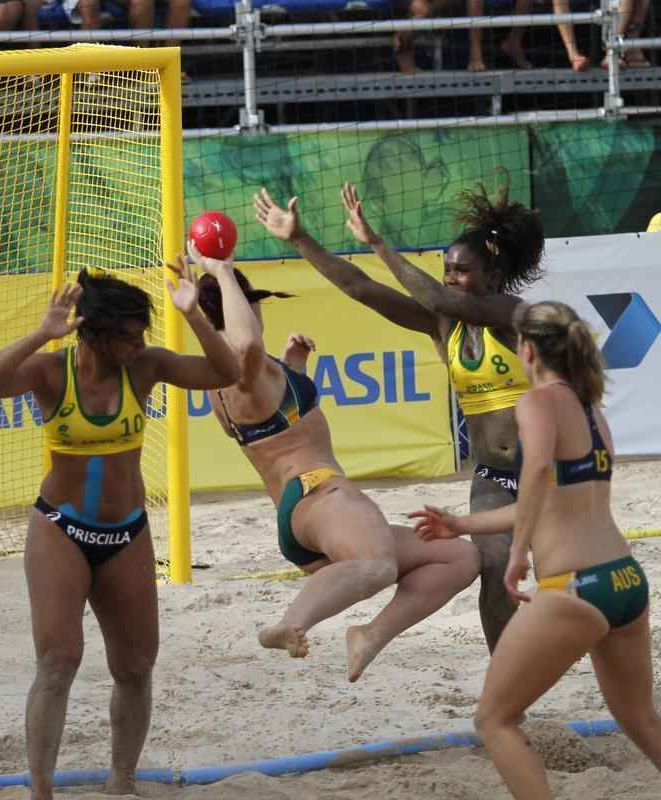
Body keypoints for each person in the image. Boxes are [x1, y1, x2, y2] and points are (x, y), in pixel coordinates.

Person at [0, 261, 240, 800]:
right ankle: (40, 790)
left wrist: (195, 317)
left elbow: (226, 373)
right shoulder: (52, 372)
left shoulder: (146, 368)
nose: (140, 343)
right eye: (130, 335)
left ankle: (122, 780)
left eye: (143, 333)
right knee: (58, 661)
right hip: (60, 528)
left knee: (136, 667)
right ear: (95, 332)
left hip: (126, 534)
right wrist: (41, 333)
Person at [253, 181, 543, 657]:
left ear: (492, 276)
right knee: (493, 573)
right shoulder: (444, 326)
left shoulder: (513, 315)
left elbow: (445, 301)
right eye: (446, 270)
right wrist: (301, 240)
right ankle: (505, 689)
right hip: (494, 477)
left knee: (569, 577)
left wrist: (378, 243)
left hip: (548, 475)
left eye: (462, 271)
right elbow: (360, 288)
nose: (451, 279)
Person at [412, 300, 661, 799]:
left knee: (494, 719)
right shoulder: (591, 410)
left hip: (574, 587)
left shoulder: (537, 402)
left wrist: (517, 554)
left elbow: (534, 475)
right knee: (640, 719)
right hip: (624, 580)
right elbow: (551, 500)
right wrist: (461, 523)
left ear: (525, 348)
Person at [194, 252, 478, 682]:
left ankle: (369, 635)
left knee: (458, 557)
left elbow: (274, 427)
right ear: (245, 306)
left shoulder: (231, 381)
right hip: (319, 494)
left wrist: (293, 369)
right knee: (377, 565)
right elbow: (247, 343)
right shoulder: (239, 366)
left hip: (303, 518)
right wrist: (222, 272)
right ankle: (290, 622)